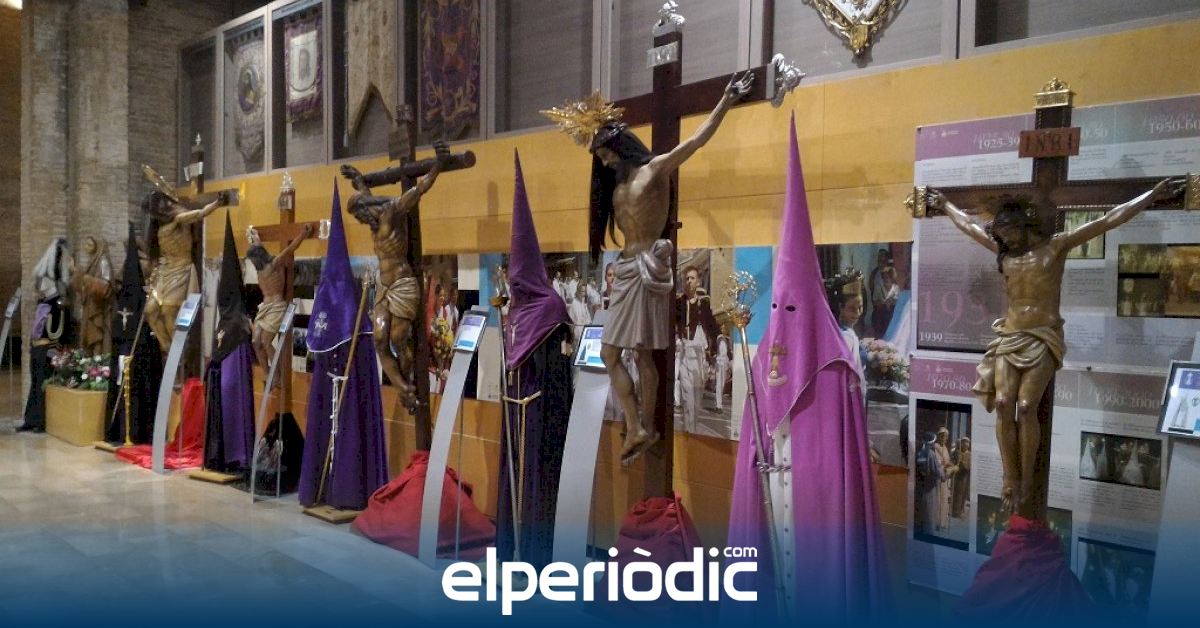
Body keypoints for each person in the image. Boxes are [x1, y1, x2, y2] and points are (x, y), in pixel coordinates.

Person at [919, 176, 1186, 517]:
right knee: (1002, 403)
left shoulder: (1055, 247)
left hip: (1043, 336)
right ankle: (1009, 477)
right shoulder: (1004, 253)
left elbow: (1107, 220)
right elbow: (970, 227)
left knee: (1026, 405)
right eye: (1000, 236)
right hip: (1010, 336)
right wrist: (944, 204)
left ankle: (1027, 480)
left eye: (1008, 234)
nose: (1003, 240)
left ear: (1022, 226)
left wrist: (1151, 196)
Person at [544, 73, 753, 463]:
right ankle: (637, 424)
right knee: (610, 354)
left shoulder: (654, 169)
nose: (603, 160)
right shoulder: (616, 186)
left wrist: (725, 101)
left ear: (619, 144)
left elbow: (696, 142)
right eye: (598, 156)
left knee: (641, 355)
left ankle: (646, 426)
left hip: (647, 270)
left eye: (605, 152)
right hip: (625, 270)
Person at [341, 141, 450, 409]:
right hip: (384, 286)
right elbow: (365, 194)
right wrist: (359, 180)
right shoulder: (374, 221)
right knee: (379, 339)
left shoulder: (392, 211)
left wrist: (438, 164)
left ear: (365, 208)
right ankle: (403, 388)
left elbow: (420, 189)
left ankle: (408, 382)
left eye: (358, 215)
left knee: (398, 339)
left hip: (402, 284)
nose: (360, 221)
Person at [141, 187, 228, 354]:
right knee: (150, 310)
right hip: (165, 271)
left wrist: (217, 203)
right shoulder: (158, 228)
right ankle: (167, 346)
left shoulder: (178, 218)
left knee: (168, 311)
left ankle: (177, 351)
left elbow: (200, 214)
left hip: (181, 269)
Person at [246, 224, 312, 371]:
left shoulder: (274, 263)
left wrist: (303, 234)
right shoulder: (260, 268)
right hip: (264, 307)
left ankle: (277, 373)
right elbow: (258, 245)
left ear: (259, 257)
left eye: (253, 259)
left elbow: (291, 249)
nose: (252, 262)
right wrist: (254, 235)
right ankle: (267, 374)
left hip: (276, 306)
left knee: (266, 341)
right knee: (256, 342)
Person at [70, 236, 114, 356]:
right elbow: (81, 286)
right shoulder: (92, 262)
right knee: (89, 334)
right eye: (86, 245)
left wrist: (87, 279)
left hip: (98, 307)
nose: (86, 248)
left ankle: (98, 360)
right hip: (89, 305)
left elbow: (106, 286)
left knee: (97, 334)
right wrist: (76, 272)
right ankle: (91, 361)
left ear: (97, 246)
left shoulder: (103, 261)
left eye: (90, 245)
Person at [914, 432, 945, 536]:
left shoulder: (919, 453)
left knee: (921, 510)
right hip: (930, 486)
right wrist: (944, 474)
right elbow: (936, 471)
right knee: (929, 511)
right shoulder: (931, 454)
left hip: (920, 485)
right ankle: (928, 534)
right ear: (932, 442)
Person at [933, 427, 955, 531]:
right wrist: (946, 466)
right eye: (942, 436)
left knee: (944, 499)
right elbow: (937, 463)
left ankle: (942, 522)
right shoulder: (936, 447)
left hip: (945, 477)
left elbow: (947, 460)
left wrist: (951, 464)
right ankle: (936, 522)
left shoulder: (945, 448)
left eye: (945, 437)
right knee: (938, 499)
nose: (944, 439)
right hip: (938, 477)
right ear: (939, 437)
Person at [950, 436, 971, 518]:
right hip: (957, 476)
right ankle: (954, 511)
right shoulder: (957, 452)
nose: (965, 444)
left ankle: (960, 511)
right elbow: (953, 461)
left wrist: (962, 464)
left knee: (963, 494)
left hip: (964, 476)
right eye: (963, 442)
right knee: (956, 493)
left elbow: (968, 466)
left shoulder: (969, 454)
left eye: (967, 443)